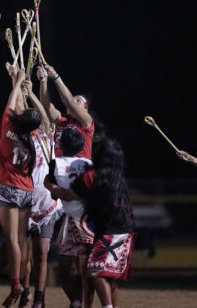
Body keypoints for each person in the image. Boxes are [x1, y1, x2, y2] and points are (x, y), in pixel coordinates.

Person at [50, 138, 135, 308]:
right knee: (107, 276)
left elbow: (67, 195)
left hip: (109, 232)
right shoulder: (118, 178)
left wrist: (51, 187)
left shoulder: (91, 176)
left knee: (96, 271)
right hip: (125, 230)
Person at [0, 69, 41, 308]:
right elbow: (19, 110)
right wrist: (17, 83)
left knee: (11, 241)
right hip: (27, 190)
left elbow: (11, 104)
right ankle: (16, 286)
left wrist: (15, 83)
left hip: (7, 188)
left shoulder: (8, 127)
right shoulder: (32, 133)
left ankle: (16, 283)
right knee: (20, 242)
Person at [20, 77, 64, 308]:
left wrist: (31, 94)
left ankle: (39, 298)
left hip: (45, 203)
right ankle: (25, 293)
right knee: (24, 255)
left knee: (42, 255)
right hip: (26, 202)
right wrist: (17, 86)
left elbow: (46, 119)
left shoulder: (47, 139)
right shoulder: (23, 140)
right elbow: (17, 113)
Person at [44, 128, 95, 308]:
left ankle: (75, 300)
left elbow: (52, 190)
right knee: (88, 272)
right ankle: (84, 303)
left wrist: (54, 189)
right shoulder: (89, 162)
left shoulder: (54, 163)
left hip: (72, 221)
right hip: (91, 222)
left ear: (60, 144)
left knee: (65, 272)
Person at [36, 64, 94, 160]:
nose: (74, 101)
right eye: (73, 99)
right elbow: (46, 106)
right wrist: (43, 81)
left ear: (85, 110)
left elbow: (69, 103)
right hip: (58, 171)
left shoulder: (87, 122)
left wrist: (55, 76)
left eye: (78, 101)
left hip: (78, 171)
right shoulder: (61, 119)